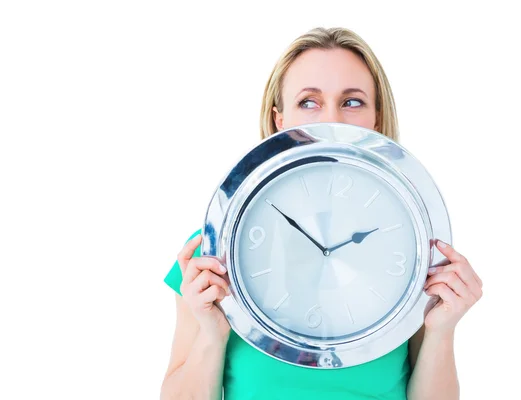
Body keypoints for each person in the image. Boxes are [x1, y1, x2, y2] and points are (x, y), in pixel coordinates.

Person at [160, 26, 483, 400]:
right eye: (309, 102)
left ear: (376, 119)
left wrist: (443, 331)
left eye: (352, 102)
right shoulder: (214, 249)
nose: (332, 120)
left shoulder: (420, 245)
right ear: (280, 120)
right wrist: (210, 334)